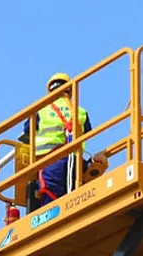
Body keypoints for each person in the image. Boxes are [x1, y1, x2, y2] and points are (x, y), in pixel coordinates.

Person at [22, 72, 92, 207]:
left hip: (51, 162)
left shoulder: (41, 110)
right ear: (70, 90)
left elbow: (27, 130)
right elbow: (87, 131)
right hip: (76, 162)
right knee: (74, 198)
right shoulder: (81, 111)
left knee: (51, 201)